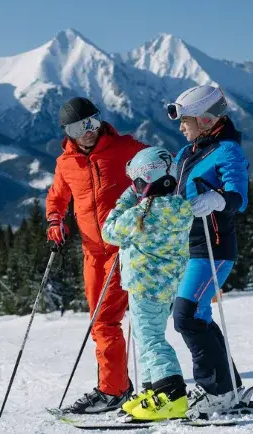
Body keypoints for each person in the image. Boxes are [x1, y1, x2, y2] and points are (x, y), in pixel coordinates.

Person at [47, 96, 148, 413]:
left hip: (126, 249)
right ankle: (117, 386)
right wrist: (55, 222)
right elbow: (58, 198)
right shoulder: (66, 163)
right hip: (93, 253)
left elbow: (162, 170)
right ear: (68, 132)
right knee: (100, 322)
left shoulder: (127, 149)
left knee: (111, 321)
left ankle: (113, 389)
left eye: (91, 122)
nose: (87, 131)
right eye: (79, 127)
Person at [166, 85, 252, 419]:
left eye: (185, 119)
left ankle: (215, 391)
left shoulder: (228, 151)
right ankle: (228, 386)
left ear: (205, 119)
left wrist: (218, 199)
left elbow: (238, 197)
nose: (181, 127)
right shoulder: (188, 152)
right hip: (190, 247)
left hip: (213, 248)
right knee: (196, 315)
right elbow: (170, 186)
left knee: (186, 315)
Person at [101, 147, 194, 421]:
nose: (135, 188)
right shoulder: (182, 209)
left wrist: (128, 196)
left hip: (143, 285)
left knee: (151, 340)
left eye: (137, 183)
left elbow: (109, 231)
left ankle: (171, 395)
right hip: (168, 286)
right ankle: (152, 392)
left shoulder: (139, 214)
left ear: (145, 182)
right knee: (145, 337)